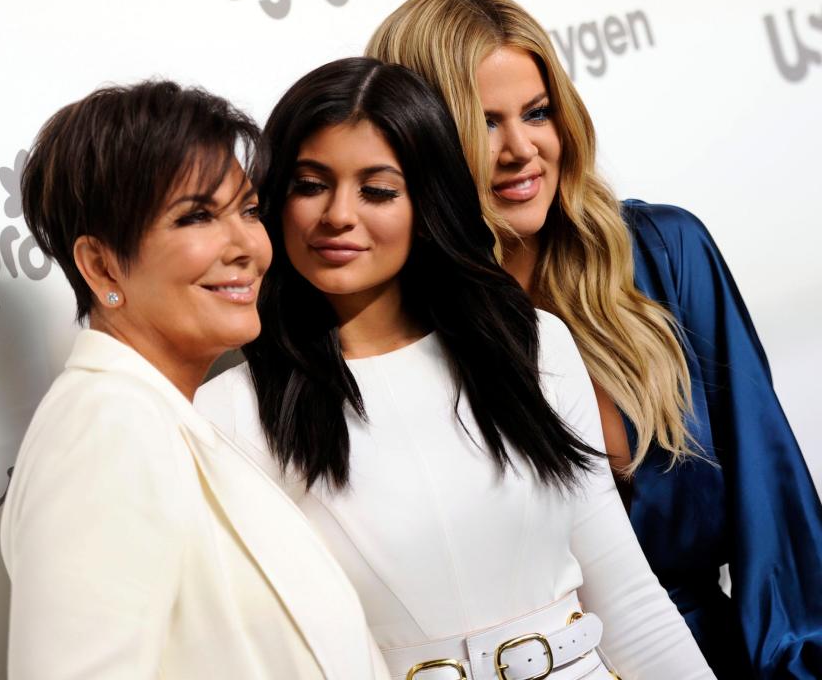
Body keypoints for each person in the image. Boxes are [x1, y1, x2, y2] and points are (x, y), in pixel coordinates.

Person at [196, 57, 714, 680]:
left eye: (378, 190)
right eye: (311, 185)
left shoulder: (534, 346)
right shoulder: (228, 413)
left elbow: (631, 602)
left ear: (428, 201)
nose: (338, 214)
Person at [365, 0, 822, 679]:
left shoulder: (665, 255)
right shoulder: (394, 340)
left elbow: (777, 517)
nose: (522, 149)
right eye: (484, 124)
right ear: (418, 141)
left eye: (537, 113)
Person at [0, 80, 388, 679]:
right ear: (102, 264)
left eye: (250, 210)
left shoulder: (165, 417)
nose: (248, 247)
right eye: (197, 217)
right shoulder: (108, 426)